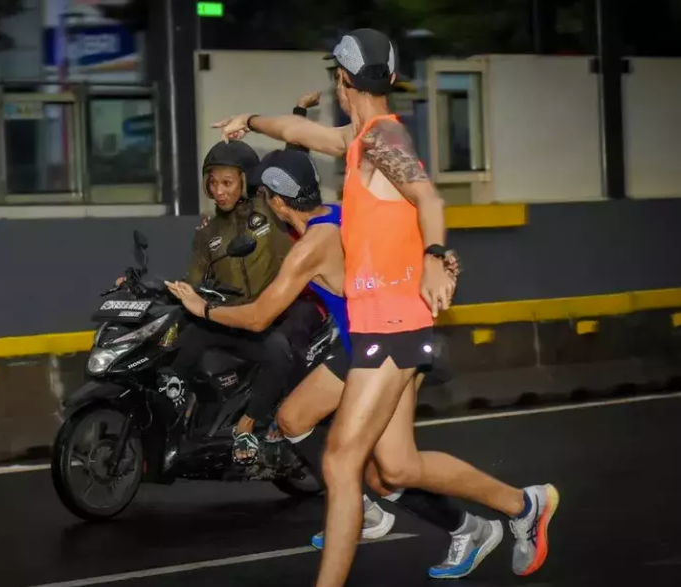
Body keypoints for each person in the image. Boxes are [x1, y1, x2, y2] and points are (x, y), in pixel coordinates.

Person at [211, 29, 558, 585]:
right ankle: (524, 506)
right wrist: (249, 120)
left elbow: (428, 197)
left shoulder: (383, 142)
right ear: (389, 80)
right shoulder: (362, 137)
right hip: (385, 324)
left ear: (342, 81)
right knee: (397, 467)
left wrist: (435, 254)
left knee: (341, 461)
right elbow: (302, 130)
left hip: (392, 326)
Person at [167, 149, 502, 579]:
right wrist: (435, 259)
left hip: (379, 347)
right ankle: (367, 510)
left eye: (266, 196)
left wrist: (201, 310)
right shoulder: (339, 215)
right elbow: (393, 241)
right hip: (360, 345)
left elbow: (257, 318)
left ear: (279, 202)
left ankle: (471, 525)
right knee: (293, 419)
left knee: (388, 472)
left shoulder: (310, 246)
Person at [168, 139, 320, 465]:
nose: (218, 190)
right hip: (234, 317)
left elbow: (288, 168)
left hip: (271, 314)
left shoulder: (269, 208)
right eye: (213, 182)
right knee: (185, 338)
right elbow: (194, 280)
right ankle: (185, 409)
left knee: (279, 352)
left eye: (227, 182)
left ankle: (248, 425)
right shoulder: (207, 234)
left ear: (246, 181)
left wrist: (298, 117)